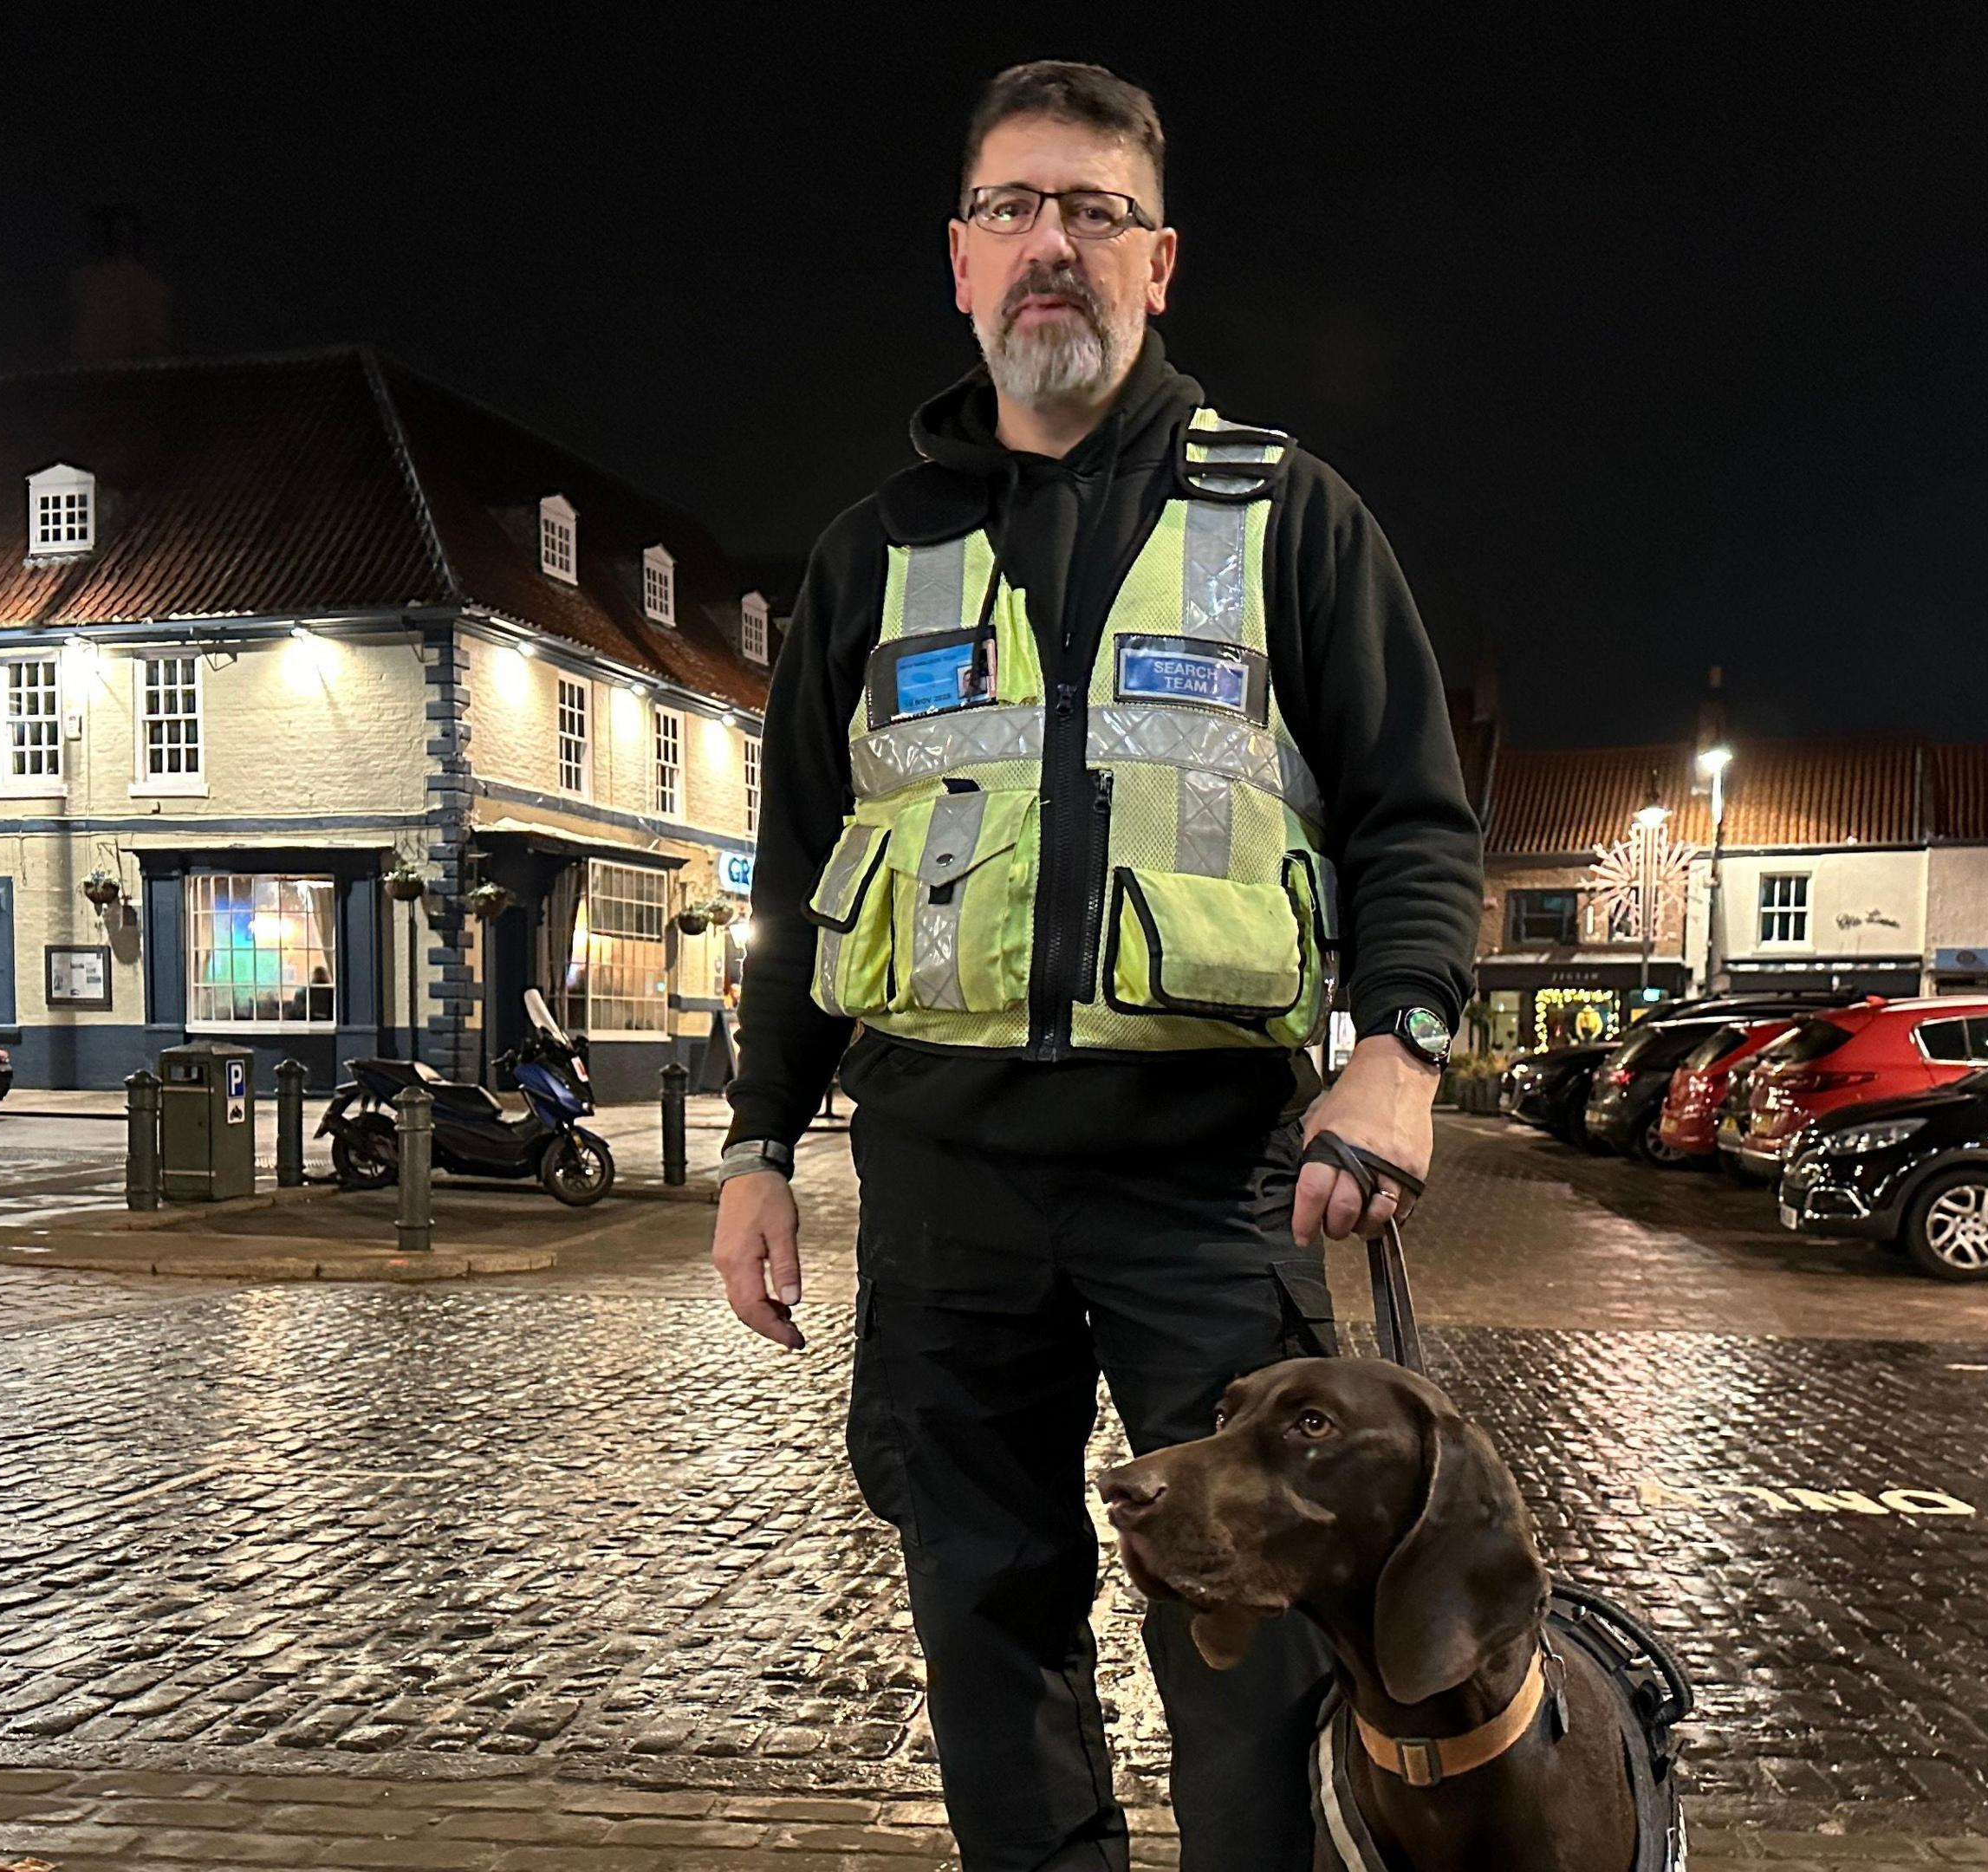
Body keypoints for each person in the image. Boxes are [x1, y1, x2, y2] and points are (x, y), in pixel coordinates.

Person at [710, 60, 1482, 1872]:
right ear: (959, 265)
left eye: (1094, 212)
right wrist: (757, 1146)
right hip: (940, 1179)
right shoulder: (867, 562)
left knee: (1251, 1635)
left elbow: (1414, 822)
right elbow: (800, 878)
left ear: (1161, 263)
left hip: (1211, 1178)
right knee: (983, 1615)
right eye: (1014, 210)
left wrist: (1403, 1052)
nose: (1052, 244)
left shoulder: (1290, 521)